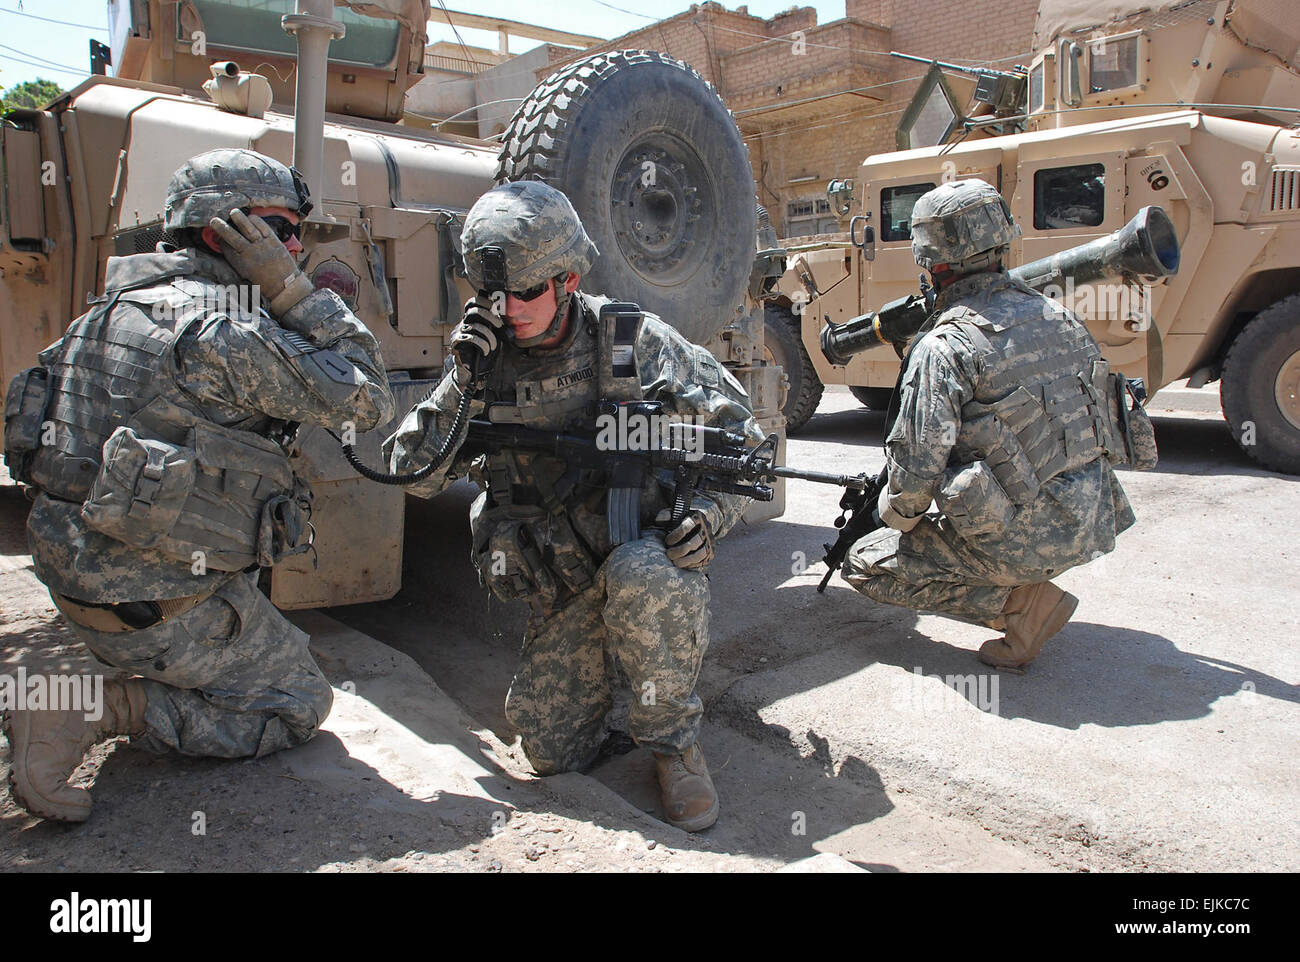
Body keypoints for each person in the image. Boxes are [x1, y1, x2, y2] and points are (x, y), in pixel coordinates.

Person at [2, 148, 394, 822]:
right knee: (299, 702)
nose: (297, 244)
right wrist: (294, 291)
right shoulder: (227, 332)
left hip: (80, 579)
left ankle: (154, 654)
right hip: (148, 601)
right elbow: (370, 398)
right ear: (223, 234)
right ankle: (92, 708)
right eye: (279, 228)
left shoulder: (108, 309)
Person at [383, 181, 762, 831]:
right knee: (551, 752)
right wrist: (462, 383)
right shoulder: (485, 358)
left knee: (646, 578)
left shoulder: (626, 341)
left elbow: (743, 443)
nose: (512, 310)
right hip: (561, 578)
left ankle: (673, 743)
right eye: (494, 296)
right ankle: (610, 669)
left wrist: (707, 516)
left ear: (569, 278)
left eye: (528, 291)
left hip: (639, 554)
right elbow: (408, 474)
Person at [841, 179, 1135, 669]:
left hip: (1030, 537)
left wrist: (898, 522)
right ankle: (1020, 581)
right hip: (1096, 517)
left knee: (867, 561)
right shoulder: (1061, 315)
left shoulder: (944, 346)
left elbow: (914, 479)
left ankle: (1021, 606)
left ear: (933, 263)